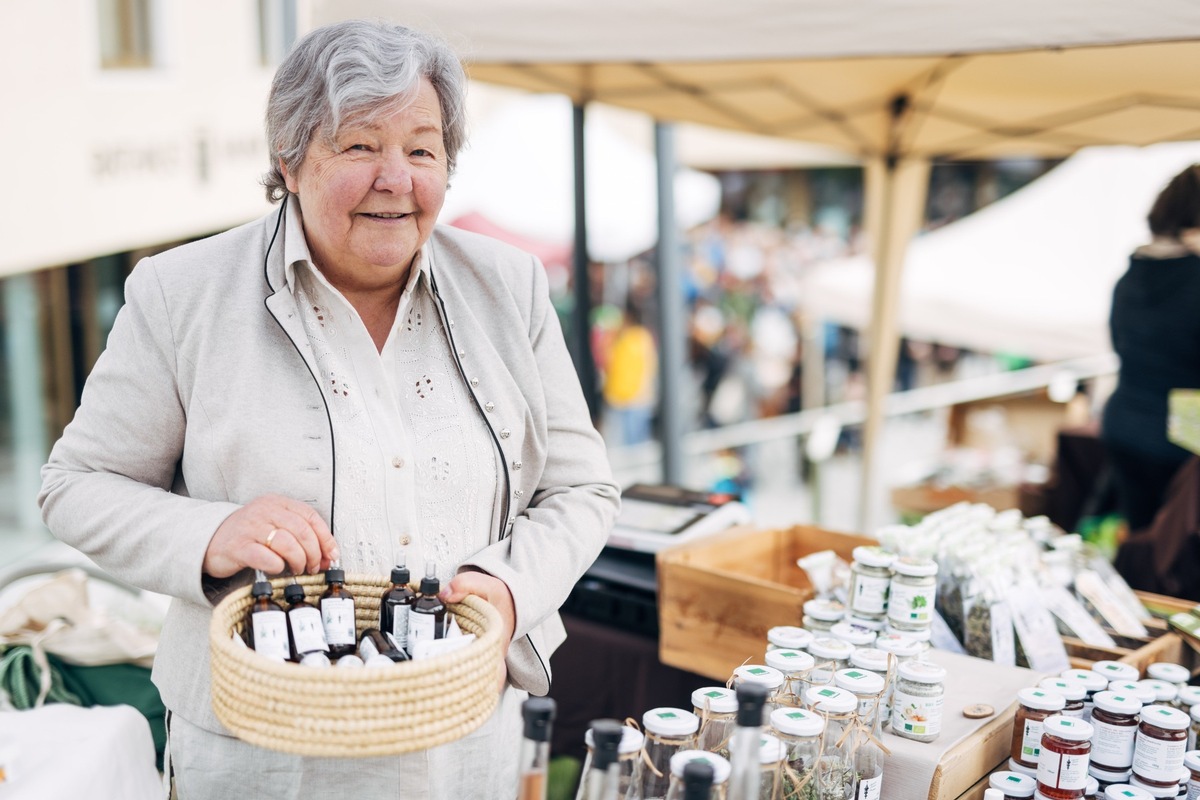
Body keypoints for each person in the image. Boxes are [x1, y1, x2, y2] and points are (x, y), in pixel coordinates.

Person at [38, 19, 619, 800]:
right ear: (289, 158)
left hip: (467, 745)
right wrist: (210, 531)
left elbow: (582, 491)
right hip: (260, 757)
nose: (396, 177)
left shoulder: (509, 287)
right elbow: (75, 485)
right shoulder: (180, 293)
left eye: (421, 149)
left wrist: (512, 588)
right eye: (358, 146)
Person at [1102, 163, 1200, 535]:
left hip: (1124, 420)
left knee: (1144, 542)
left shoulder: (1131, 275)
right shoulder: (1194, 278)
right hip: (1182, 436)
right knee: (1178, 555)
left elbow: (1119, 343)